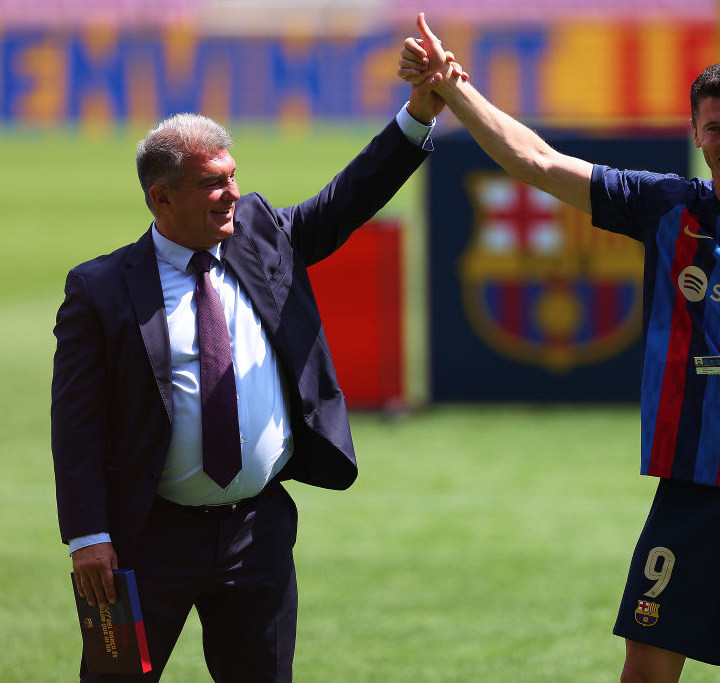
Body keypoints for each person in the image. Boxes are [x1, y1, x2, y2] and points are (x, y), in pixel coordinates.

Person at [398, 13, 720, 683]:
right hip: (691, 487)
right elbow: (536, 160)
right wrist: (453, 87)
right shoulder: (669, 208)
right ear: (695, 134)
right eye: (714, 128)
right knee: (645, 671)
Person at [50, 52, 467, 681]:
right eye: (211, 183)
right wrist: (87, 535)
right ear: (161, 197)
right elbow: (76, 424)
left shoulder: (261, 233)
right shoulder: (100, 289)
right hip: (147, 537)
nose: (232, 194)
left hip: (256, 532)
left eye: (232, 176)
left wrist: (416, 115)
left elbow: (345, 201)